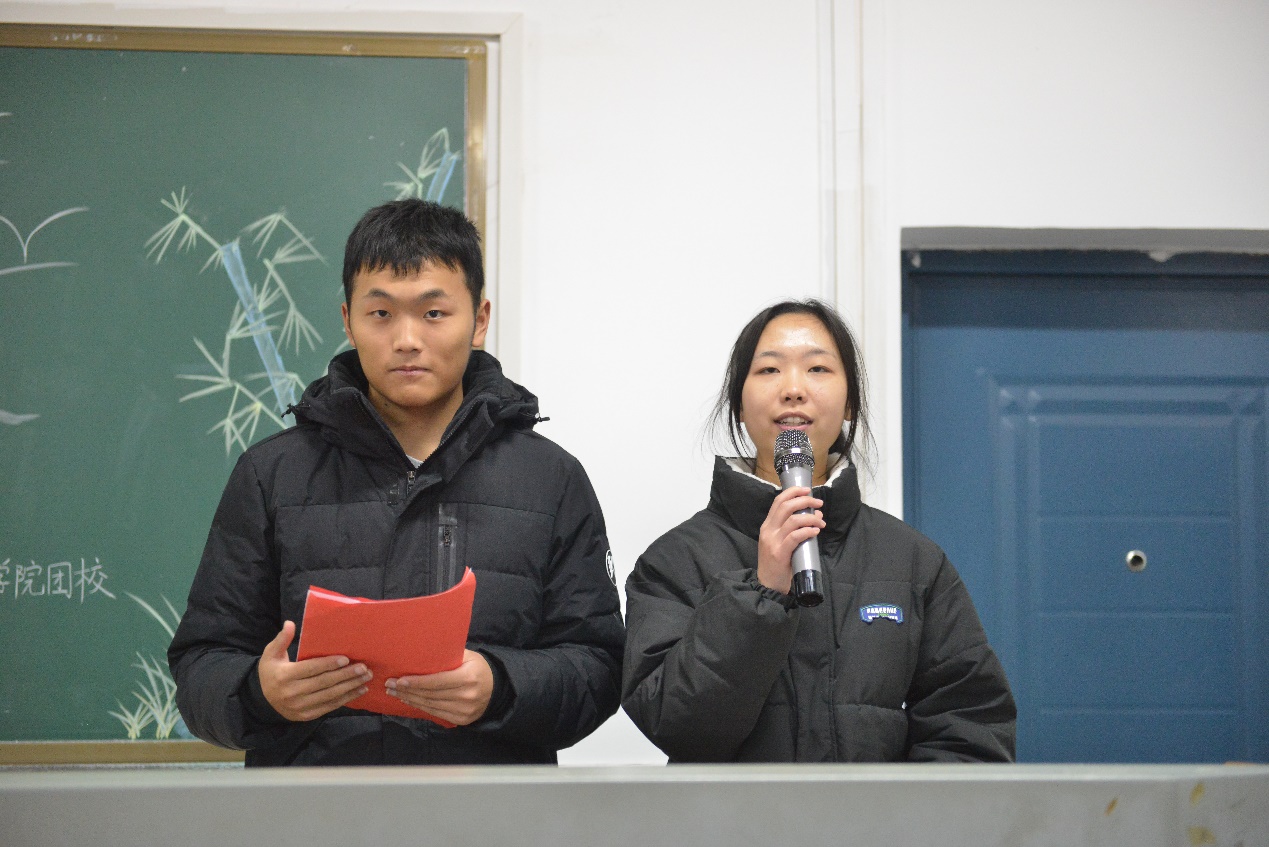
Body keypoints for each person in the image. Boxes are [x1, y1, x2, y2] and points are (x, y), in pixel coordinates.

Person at [168, 199, 624, 766]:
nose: (407, 339)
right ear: (348, 320)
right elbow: (201, 665)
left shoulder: (550, 479)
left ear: (480, 320)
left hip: (490, 811)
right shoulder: (272, 474)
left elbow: (600, 667)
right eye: (381, 313)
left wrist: (500, 686)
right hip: (314, 809)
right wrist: (261, 694)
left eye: (434, 313)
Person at [621, 299, 1015, 762]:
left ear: (850, 402)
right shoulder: (675, 560)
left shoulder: (913, 561)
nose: (793, 389)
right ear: (739, 404)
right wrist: (761, 594)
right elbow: (676, 726)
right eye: (769, 370)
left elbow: (970, 728)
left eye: (818, 369)